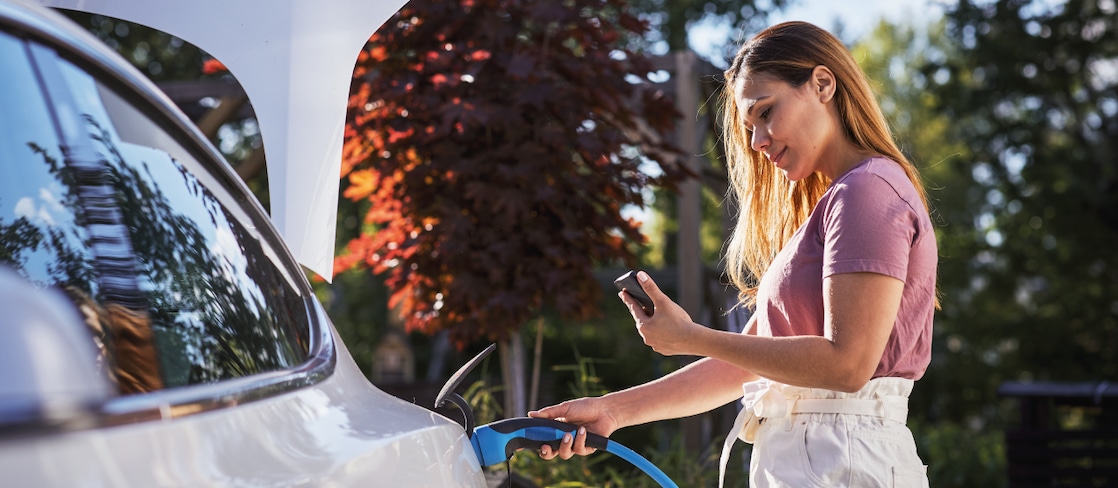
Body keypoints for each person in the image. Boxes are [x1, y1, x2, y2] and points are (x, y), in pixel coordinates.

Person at [528, 21, 937, 488]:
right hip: (818, 458)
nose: (757, 141)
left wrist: (692, 337)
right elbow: (744, 365)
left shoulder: (867, 191)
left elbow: (847, 364)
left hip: (843, 459)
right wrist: (612, 411)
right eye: (749, 127)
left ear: (823, 84)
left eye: (766, 112)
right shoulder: (835, 204)